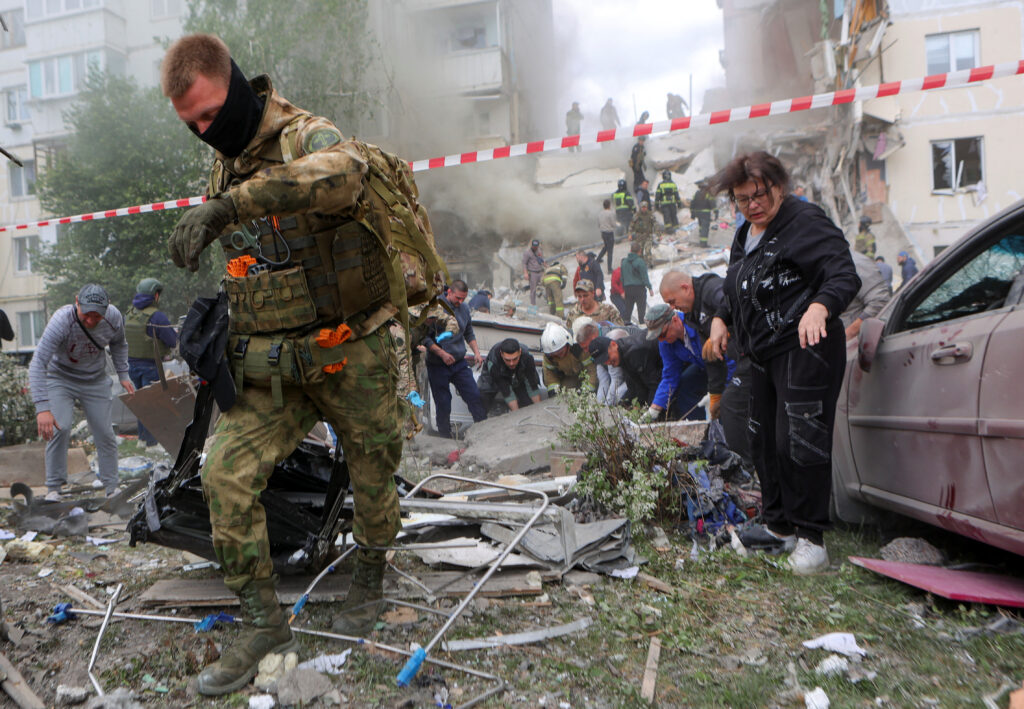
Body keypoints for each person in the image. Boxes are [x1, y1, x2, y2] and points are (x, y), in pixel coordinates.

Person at [161, 34, 405, 693]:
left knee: (374, 469)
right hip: (278, 361)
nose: (204, 131)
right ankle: (264, 623)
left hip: (352, 347)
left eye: (211, 115)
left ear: (236, 86)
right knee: (224, 472)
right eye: (191, 124)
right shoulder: (223, 166)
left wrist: (233, 204)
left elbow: (345, 172)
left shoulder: (304, 135)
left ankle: (371, 573)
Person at [707, 151, 860, 575]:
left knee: (799, 441)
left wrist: (820, 307)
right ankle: (779, 527)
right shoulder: (746, 233)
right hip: (762, 353)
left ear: (779, 186)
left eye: (760, 195)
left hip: (804, 347)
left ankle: (812, 540)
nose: (753, 205)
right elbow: (737, 282)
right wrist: (721, 317)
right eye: (742, 199)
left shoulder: (805, 221)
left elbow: (843, 273)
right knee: (763, 440)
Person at [29, 284, 135, 501]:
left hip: (95, 380)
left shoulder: (114, 317)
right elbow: (38, 362)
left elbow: (119, 344)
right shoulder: (61, 321)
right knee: (59, 428)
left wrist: (123, 374)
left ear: (107, 308)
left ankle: (111, 487)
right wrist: (42, 408)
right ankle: (54, 488)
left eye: (97, 316)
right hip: (60, 378)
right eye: (86, 314)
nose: (91, 321)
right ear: (77, 302)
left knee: (104, 431)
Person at [660, 270, 750, 462]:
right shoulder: (692, 316)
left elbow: (738, 302)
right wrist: (715, 394)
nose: (673, 307)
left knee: (732, 406)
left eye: (672, 301)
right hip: (736, 359)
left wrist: (725, 328)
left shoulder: (711, 289)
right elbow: (711, 357)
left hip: (753, 353)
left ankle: (745, 463)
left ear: (685, 288)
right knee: (725, 404)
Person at [423, 280, 487, 439]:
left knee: (474, 395)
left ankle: (483, 430)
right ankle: (445, 436)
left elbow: (469, 332)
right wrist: (441, 353)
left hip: (458, 363)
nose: (460, 302)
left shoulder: (464, 309)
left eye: (463, 299)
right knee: (443, 402)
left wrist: (477, 352)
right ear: (449, 292)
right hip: (437, 364)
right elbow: (424, 338)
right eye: (458, 298)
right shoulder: (435, 308)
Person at [642, 304, 723, 422]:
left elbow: (726, 358)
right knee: (685, 384)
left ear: (675, 320)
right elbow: (670, 376)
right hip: (702, 365)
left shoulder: (695, 324)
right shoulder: (666, 343)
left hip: (722, 363)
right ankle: (700, 424)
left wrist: (716, 392)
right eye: (657, 337)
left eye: (662, 334)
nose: (661, 340)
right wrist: (654, 409)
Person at [124, 277, 178, 450]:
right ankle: (153, 444)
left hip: (131, 366)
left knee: (142, 404)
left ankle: (142, 440)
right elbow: (172, 340)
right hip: (150, 366)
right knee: (153, 405)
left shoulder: (129, 313)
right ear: (155, 295)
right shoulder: (156, 316)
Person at [588, 334, 662, 407]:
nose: (608, 362)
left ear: (613, 344)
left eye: (607, 357)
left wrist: (649, 411)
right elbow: (634, 386)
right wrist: (622, 406)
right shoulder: (622, 356)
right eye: (603, 361)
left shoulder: (634, 352)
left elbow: (654, 385)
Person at [477, 338, 543, 414]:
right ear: (501, 354)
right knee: (483, 398)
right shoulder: (494, 362)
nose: (511, 363)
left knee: (527, 401)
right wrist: (516, 415)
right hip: (492, 377)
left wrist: (539, 411)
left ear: (520, 352)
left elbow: (532, 386)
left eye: (515, 359)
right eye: (508, 360)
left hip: (517, 375)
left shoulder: (527, 357)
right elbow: (506, 391)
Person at [841, 250, 892, 340]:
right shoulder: (825, 264)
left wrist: (848, 334)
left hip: (857, 342)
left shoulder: (854, 263)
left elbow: (880, 300)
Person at [540, 322, 596, 393]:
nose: (559, 356)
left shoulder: (579, 348)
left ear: (567, 344)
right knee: (567, 393)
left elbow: (592, 370)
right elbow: (549, 374)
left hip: (584, 375)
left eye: (560, 352)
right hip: (567, 376)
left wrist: (585, 391)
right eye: (554, 355)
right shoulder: (548, 355)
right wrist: (554, 391)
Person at [620, 241, 653, 323]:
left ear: (630, 250)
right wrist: (649, 288)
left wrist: (623, 289)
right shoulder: (640, 261)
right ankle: (642, 325)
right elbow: (644, 276)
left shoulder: (624, 262)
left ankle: (626, 325)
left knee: (628, 310)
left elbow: (622, 278)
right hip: (639, 289)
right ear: (640, 251)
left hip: (628, 289)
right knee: (641, 310)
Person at [629, 200, 658, 266]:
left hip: (648, 235)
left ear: (647, 207)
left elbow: (655, 224)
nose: (644, 209)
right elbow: (631, 225)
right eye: (642, 207)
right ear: (640, 208)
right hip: (639, 236)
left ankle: (650, 263)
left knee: (648, 250)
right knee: (640, 252)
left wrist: (658, 234)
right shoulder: (636, 215)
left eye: (645, 207)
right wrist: (630, 234)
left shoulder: (650, 215)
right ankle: (641, 265)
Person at [690, 181, 715, 247]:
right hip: (705, 213)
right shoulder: (708, 194)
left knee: (701, 227)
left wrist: (692, 213)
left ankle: (701, 241)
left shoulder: (696, 193)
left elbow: (692, 203)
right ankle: (703, 244)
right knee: (705, 228)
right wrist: (716, 212)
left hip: (698, 213)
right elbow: (712, 203)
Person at [596, 199, 618, 272]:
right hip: (609, 233)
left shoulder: (600, 214)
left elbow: (598, 224)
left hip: (603, 233)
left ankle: (598, 259)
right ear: (609, 205)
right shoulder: (611, 213)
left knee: (606, 246)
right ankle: (609, 269)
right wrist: (616, 226)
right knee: (610, 251)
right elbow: (613, 224)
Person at [523, 239, 545, 305]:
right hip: (533, 273)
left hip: (540, 272)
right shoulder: (527, 253)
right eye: (534, 246)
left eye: (536, 246)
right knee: (533, 290)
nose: (535, 247)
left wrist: (546, 266)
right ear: (532, 245)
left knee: (545, 286)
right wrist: (525, 273)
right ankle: (533, 304)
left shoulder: (539, 251)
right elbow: (524, 263)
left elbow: (541, 260)